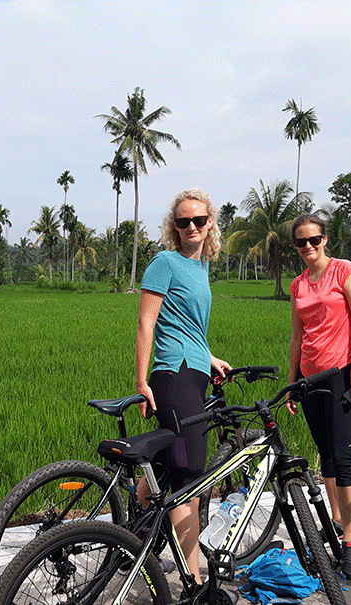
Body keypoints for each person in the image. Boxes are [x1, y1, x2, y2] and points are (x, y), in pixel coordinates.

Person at [135, 188, 231, 584]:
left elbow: (188, 325)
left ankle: (135, 538)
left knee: (164, 465)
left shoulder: (201, 265)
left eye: (199, 220)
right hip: (172, 375)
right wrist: (142, 380)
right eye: (183, 221)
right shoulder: (165, 263)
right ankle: (194, 579)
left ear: (211, 224)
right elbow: (147, 324)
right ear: (173, 227)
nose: (192, 227)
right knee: (190, 479)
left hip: (194, 370)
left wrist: (210, 357)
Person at [285, 213, 351, 580]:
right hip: (310, 379)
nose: (309, 247)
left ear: (325, 239)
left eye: (314, 240)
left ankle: (350, 544)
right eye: (301, 242)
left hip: (341, 375)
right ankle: (336, 523)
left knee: (344, 457)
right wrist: (292, 383)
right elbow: (296, 336)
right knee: (326, 457)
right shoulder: (298, 285)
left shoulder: (345, 272)